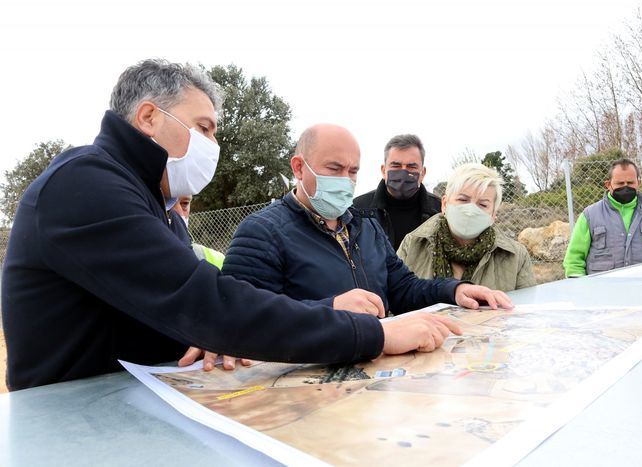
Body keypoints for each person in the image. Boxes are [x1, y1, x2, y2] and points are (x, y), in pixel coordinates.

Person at [1, 59, 462, 391]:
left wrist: (208, 336)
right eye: (203, 127)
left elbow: (178, 313)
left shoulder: (154, 205)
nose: (212, 144)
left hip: (127, 404)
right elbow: (209, 302)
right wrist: (374, 335)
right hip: (67, 420)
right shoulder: (85, 184)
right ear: (147, 117)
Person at [221, 124, 513, 320]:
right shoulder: (261, 232)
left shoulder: (366, 228)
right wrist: (331, 309)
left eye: (352, 171)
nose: (345, 180)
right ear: (299, 167)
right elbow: (241, 315)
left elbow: (404, 289)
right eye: (334, 168)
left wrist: (454, 290)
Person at [397, 163, 535, 292]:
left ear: (493, 215)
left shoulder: (516, 257)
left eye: (482, 205)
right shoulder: (413, 244)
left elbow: (525, 311)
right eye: (463, 200)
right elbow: (394, 302)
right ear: (444, 204)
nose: (470, 210)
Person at [563, 158, 642, 277]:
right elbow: (574, 260)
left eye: (630, 183)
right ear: (608, 185)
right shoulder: (590, 216)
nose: (625, 187)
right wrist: (580, 288)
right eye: (620, 183)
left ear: (638, 183)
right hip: (601, 291)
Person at [353, 134, 441, 250]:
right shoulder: (359, 209)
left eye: (411, 166)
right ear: (383, 170)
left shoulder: (439, 211)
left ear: (423, 173)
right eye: (396, 165)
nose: (403, 172)